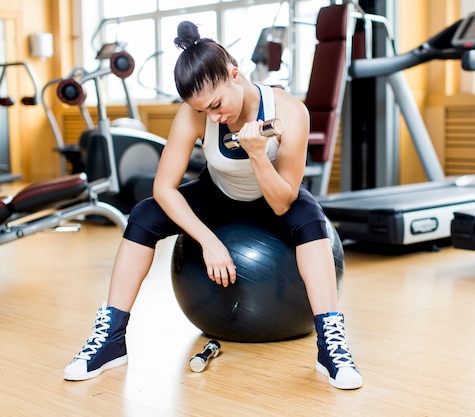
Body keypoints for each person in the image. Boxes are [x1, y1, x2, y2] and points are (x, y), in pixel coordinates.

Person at [64, 21, 363, 390]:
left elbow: (284, 200)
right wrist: (209, 241)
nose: (215, 117)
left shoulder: (290, 111)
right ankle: (110, 340)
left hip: (273, 197)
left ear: (234, 75)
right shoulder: (195, 114)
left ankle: (330, 346)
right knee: (143, 216)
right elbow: (164, 187)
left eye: (217, 104)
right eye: (204, 111)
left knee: (311, 221)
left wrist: (257, 154)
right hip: (218, 194)